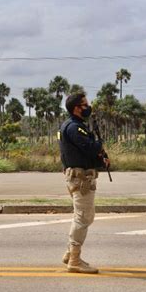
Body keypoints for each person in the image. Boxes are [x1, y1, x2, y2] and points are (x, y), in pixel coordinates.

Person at [58, 93, 110, 274]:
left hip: (80, 177)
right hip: (81, 179)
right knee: (83, 217)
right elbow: (89, 148)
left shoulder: (72, 126)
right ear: (76, 108)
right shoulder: (74, 127)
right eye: (85, 104)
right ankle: (74, 259)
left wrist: (101, 158)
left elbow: (82, 153)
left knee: (86, 216)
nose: (88, 107)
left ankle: (69, 253)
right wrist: (99, 143)